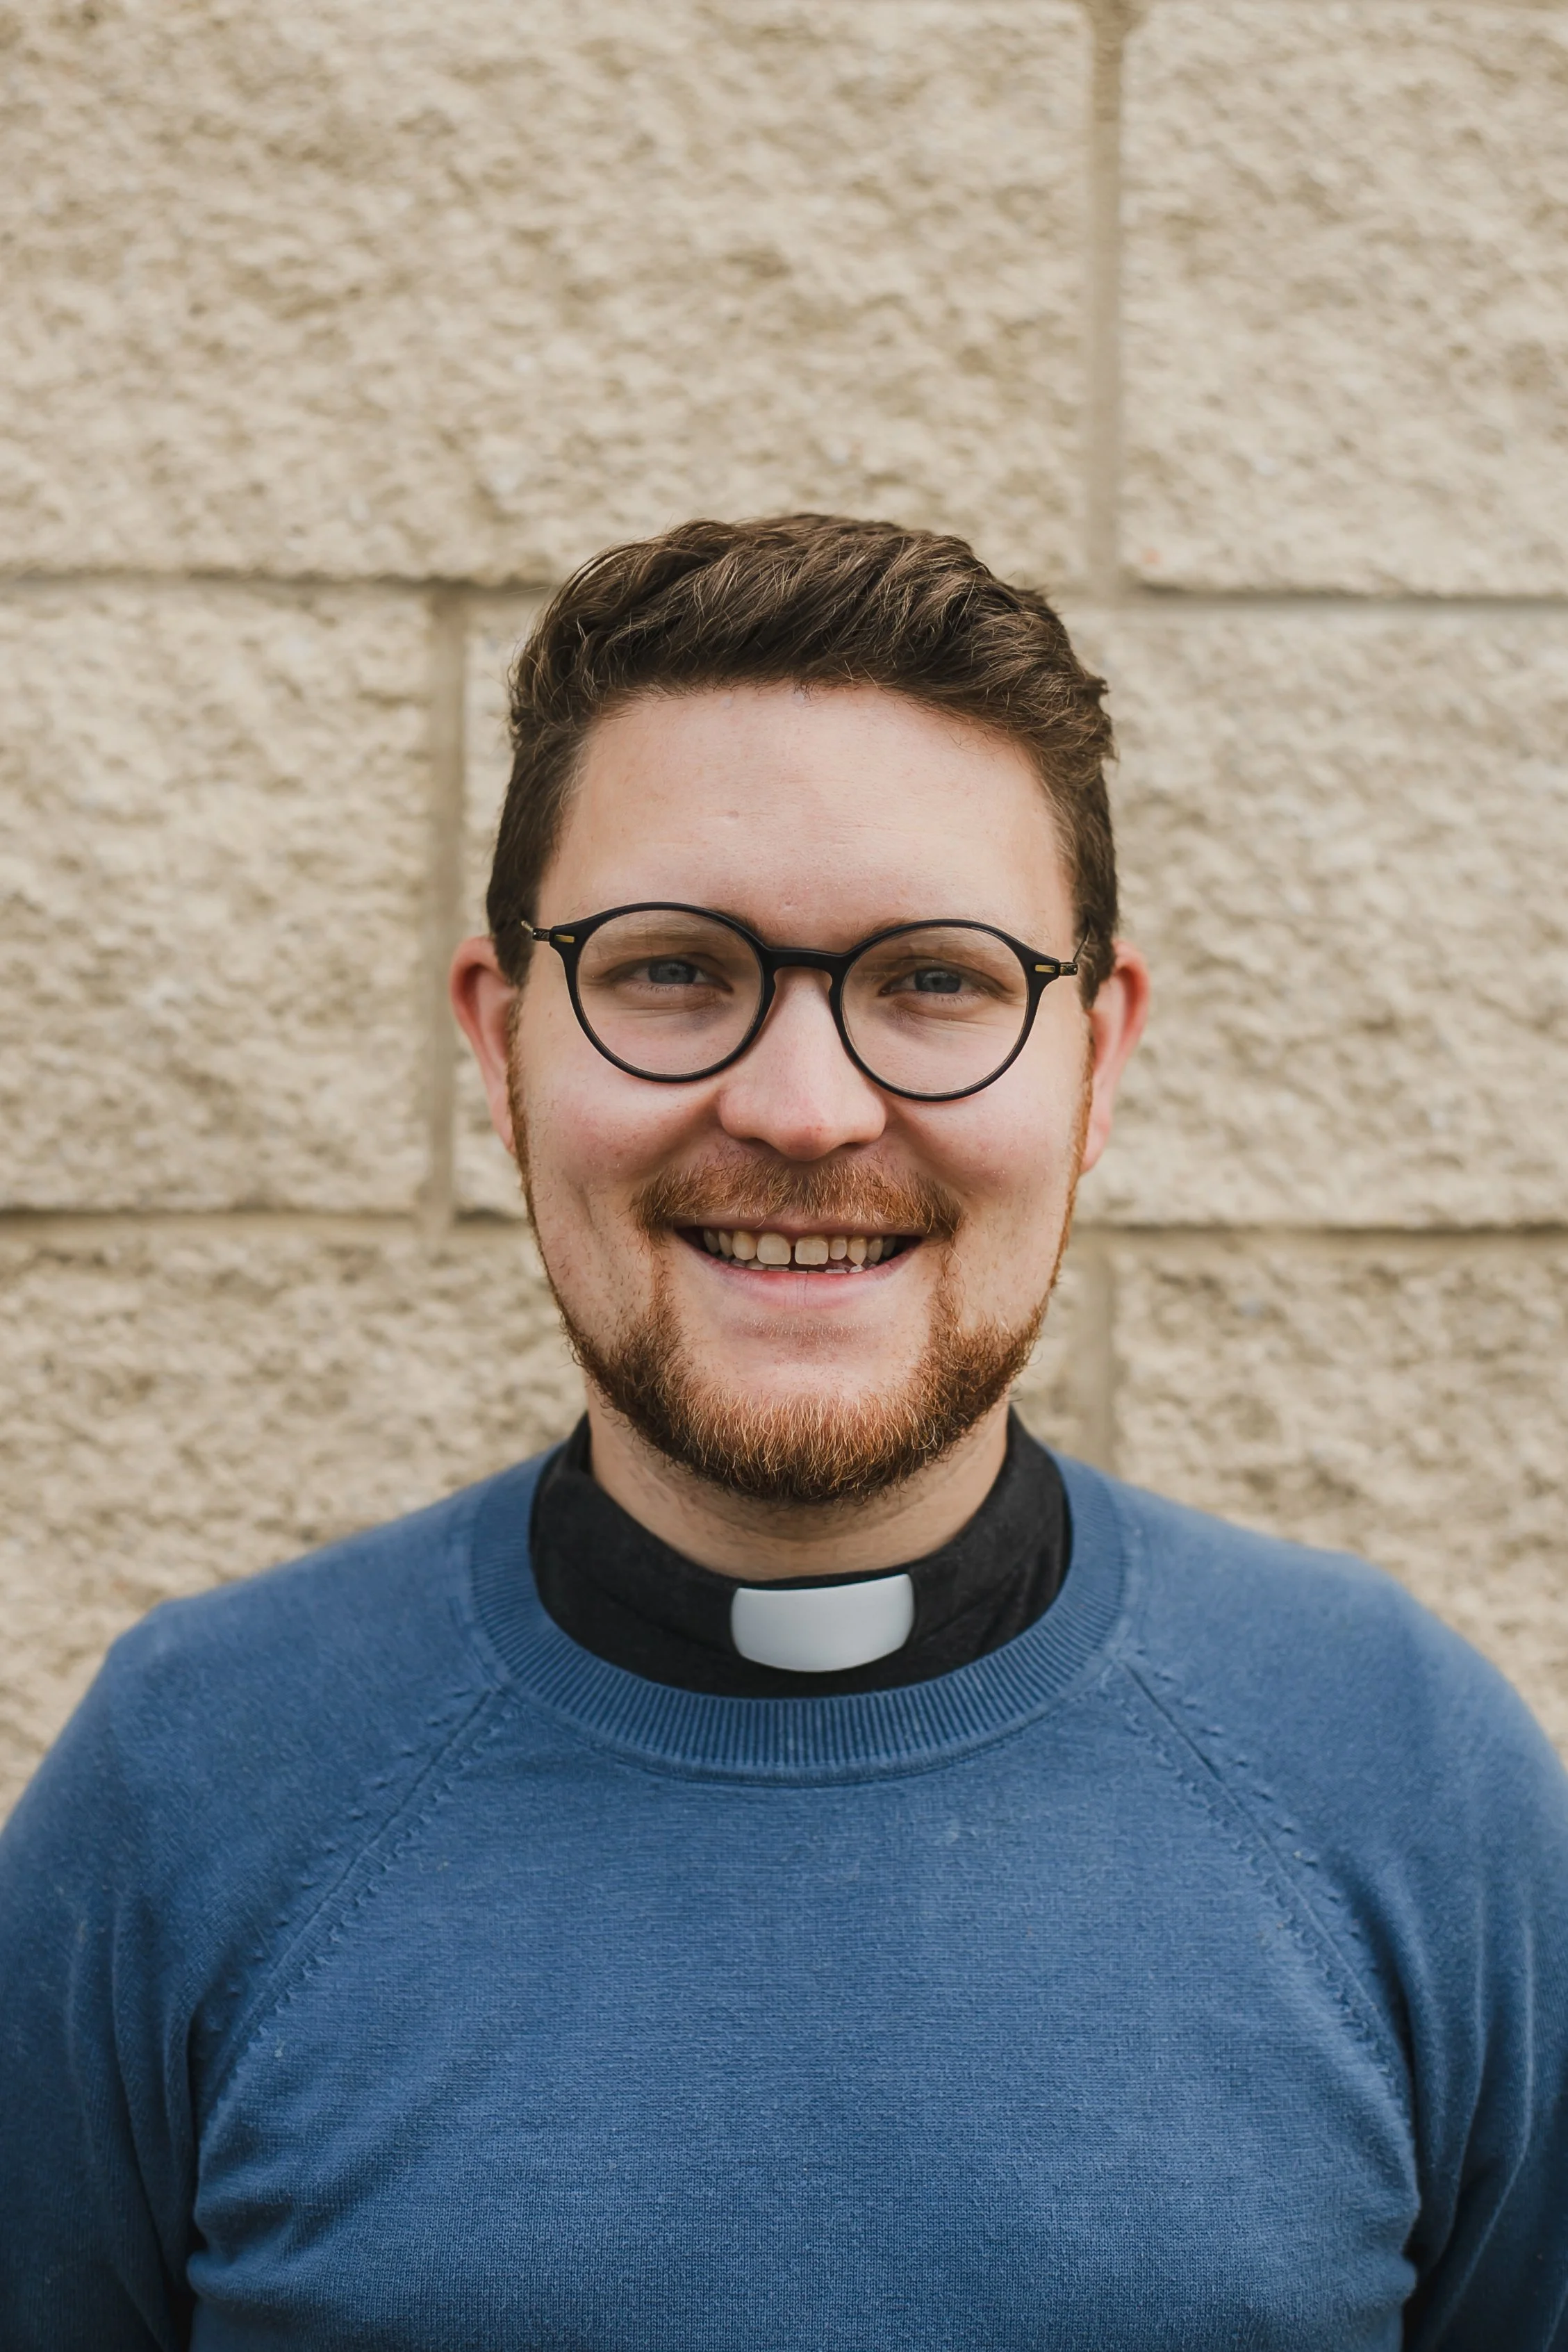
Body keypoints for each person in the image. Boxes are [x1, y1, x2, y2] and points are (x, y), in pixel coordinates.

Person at [1, 514, 1564, 2350]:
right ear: (503, 1046)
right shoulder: (184, 1785)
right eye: (672, 969)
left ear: (1100, 1061)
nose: (808, 1106)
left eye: (936, 981)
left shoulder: (1410, 1778)